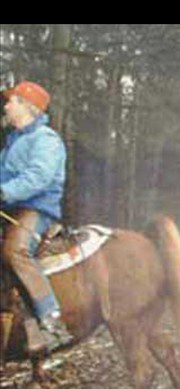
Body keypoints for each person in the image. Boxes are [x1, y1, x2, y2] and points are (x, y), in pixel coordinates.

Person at [0, 81, 72, 352]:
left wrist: (3, 192)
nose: (6, 106)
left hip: (36, 209)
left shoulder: (46, 139)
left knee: (14, 251)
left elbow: (37, 178)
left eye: (11, 101)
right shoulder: (12, 142)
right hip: (10, 207)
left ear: (27, 107)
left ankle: (51, 320)